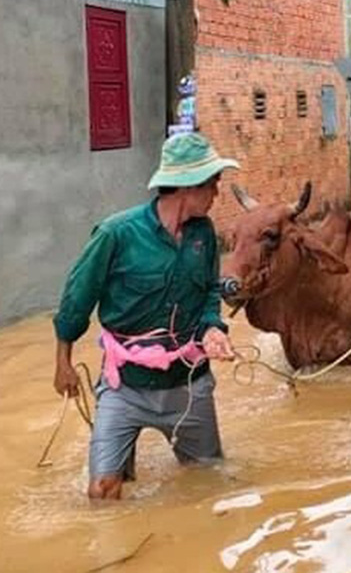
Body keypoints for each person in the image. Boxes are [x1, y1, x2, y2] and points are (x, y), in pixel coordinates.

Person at [52, 133, 239, 500]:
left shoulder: (203, 235)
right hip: (125, 387)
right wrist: (63, 362)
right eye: (213, 184)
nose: (217, 193)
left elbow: (209, 294)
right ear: (188, 186)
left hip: (188, 384)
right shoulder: (116, 234)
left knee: (207, 480)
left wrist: (213, 329)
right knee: (103, 489)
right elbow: (77, 299)